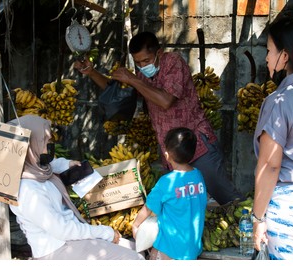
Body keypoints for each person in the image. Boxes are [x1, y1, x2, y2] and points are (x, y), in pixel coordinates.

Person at [74, 31, 245, 205]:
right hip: (172, 152)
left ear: (159, 53)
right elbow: (120, 94)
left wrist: (133, 79)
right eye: (138, 63)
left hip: (196, 145)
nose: (142, 65)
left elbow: (165, 100)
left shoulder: (173, 62)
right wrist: (92, 72)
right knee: (184, 203)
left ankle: (253, 223)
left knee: (226, 197)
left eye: (146, 61)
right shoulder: (142, 75)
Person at [8, 115, 144, 260]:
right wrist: (105, 233)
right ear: (31, 146)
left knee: (138, 249)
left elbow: (52, 164)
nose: (49, 147)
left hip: (71, 239)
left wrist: (68, 164)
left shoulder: (36, 170)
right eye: (44, 142)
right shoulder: (28, 191)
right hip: (58, 248)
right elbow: (62, 230)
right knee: (135, 260)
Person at [252, 17, 293, 260]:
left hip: (291, 213)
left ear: (285, 55)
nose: (267, 58)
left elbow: (270, 165)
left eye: (269, 50)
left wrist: (258, 219)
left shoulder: (280, 101)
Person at [131, 127, 207, 260]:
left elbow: (148, 209)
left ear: (166, 155)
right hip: (192, 248)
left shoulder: (166, 182)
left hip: (169, 249)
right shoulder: (198, 176)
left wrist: (136, 225)